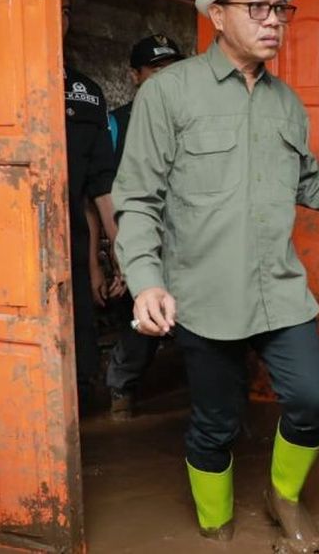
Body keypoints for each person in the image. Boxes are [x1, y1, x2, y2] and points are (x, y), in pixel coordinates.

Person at [111, 0, 319, 551]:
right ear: (217, 15)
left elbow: (310, 185)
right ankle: (215, 525)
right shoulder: (168, 94)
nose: (274, 20)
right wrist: (145, 281)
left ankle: (283, 495)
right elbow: (137, 198)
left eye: (280, 9)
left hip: (278, 289)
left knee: (312, 401)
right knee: (216, 422)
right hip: (203, 293)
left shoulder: (287, 104)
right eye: (258, 7)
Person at [103, 34, 186, 421]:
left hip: (186, 237)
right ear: (134, 75)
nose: (165, 76)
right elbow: (102, 189)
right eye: (155, 69)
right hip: (139, 235)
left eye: (172, 68)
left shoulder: (191, 116)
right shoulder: (116, 124)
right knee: (141, 319)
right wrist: (116, 248)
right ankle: (122, 388)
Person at [61, 0, 117, 410]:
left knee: (79, 350)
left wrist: (118, 252)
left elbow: (100, 185)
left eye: (64, 10)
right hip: (2, 251)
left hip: (71, 247)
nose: (57, 18)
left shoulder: (86, 93)